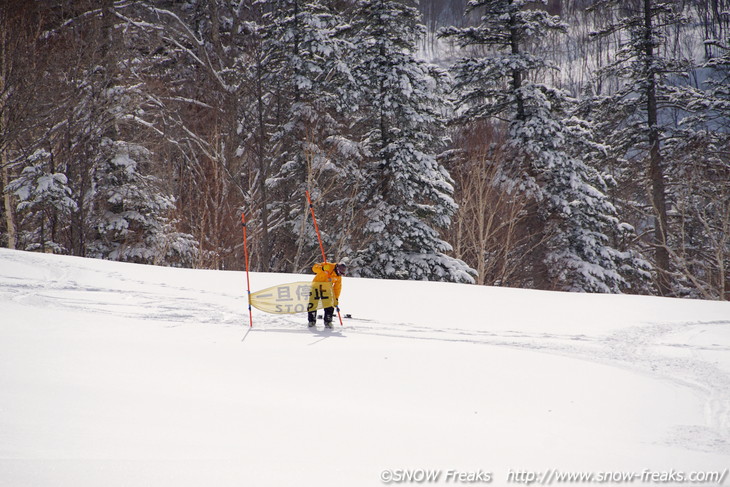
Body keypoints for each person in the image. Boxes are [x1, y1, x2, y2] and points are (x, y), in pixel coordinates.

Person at [308, 261, 346, 328]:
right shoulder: (328, 265)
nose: (339, 274)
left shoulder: (338, 277)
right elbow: (314, 268)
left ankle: (328, 321)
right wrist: (322, 268)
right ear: (337, 268)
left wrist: (336, 298)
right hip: (316, 287)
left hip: (326, 290)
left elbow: (337, 288)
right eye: (339, 272)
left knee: (329, 305)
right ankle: (312, 321)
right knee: (312, 304)